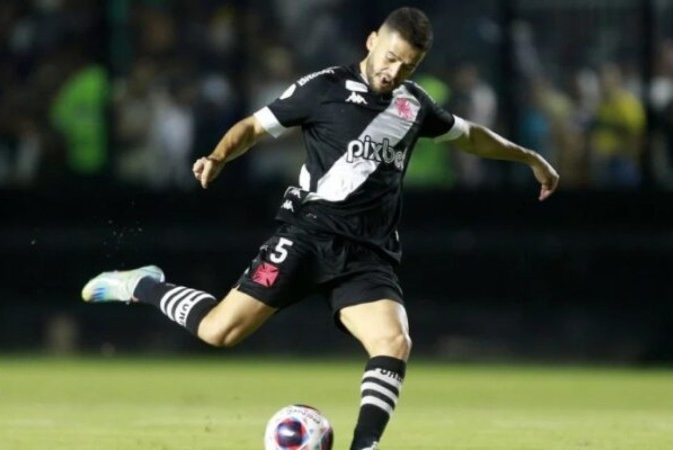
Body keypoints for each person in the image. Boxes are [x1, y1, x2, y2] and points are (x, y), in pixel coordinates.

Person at [82, 7, 559, 450]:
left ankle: (364, 446)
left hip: (368, 254)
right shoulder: (323, 87)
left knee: (393, 342)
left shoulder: (415, 105)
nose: (394, 72)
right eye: (390, 57)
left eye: (407, 67)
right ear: (372, 42)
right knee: (217, 333)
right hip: (307, 236)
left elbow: (471, 136)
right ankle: (142, 284)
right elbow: (254, 125)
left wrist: (530, 158)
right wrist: (218, 157)